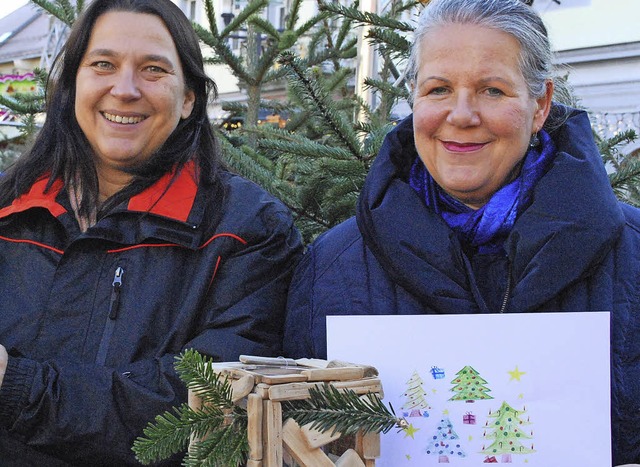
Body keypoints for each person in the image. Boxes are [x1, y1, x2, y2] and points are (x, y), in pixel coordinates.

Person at [283, 0, 640, 464]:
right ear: (414, 98)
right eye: (438, 89)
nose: (462, 114)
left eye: (492, 90)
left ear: (540, 104)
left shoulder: (632, 251)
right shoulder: (333, 266)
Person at [0, 0, 302, 464]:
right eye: (103, 64)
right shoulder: (9, 211)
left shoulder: (247, 231)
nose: (124, 89)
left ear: (188, 99)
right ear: (71, 85)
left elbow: (202, 407)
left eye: (153, 69)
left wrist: (14, 385)